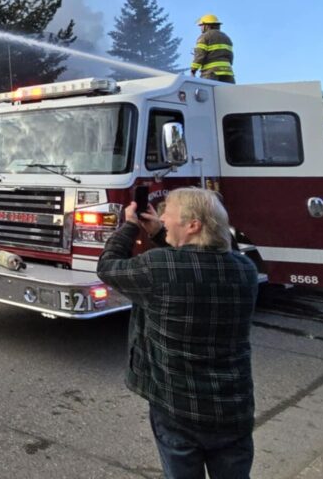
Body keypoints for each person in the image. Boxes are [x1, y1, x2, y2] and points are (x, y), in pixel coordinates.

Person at [97, 188, 259, 479]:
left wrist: (130, 225)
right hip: (234, 409)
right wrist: (161, 232)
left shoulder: (159, 266)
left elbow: (108, 266)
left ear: (193, 225)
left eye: (167, 213)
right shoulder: (244, 270)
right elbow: (203, 258)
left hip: (177, 409)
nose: (162, 218)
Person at [191, 14, 235, 83]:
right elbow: (230, 57)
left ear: (207, 25)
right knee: (229, 93)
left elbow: (199, 55)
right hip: (228, 73)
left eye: (202, 25)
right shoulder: (226, 37)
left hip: (211, 73)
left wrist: (193, 70)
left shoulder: (204, 37)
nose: (201, 28)